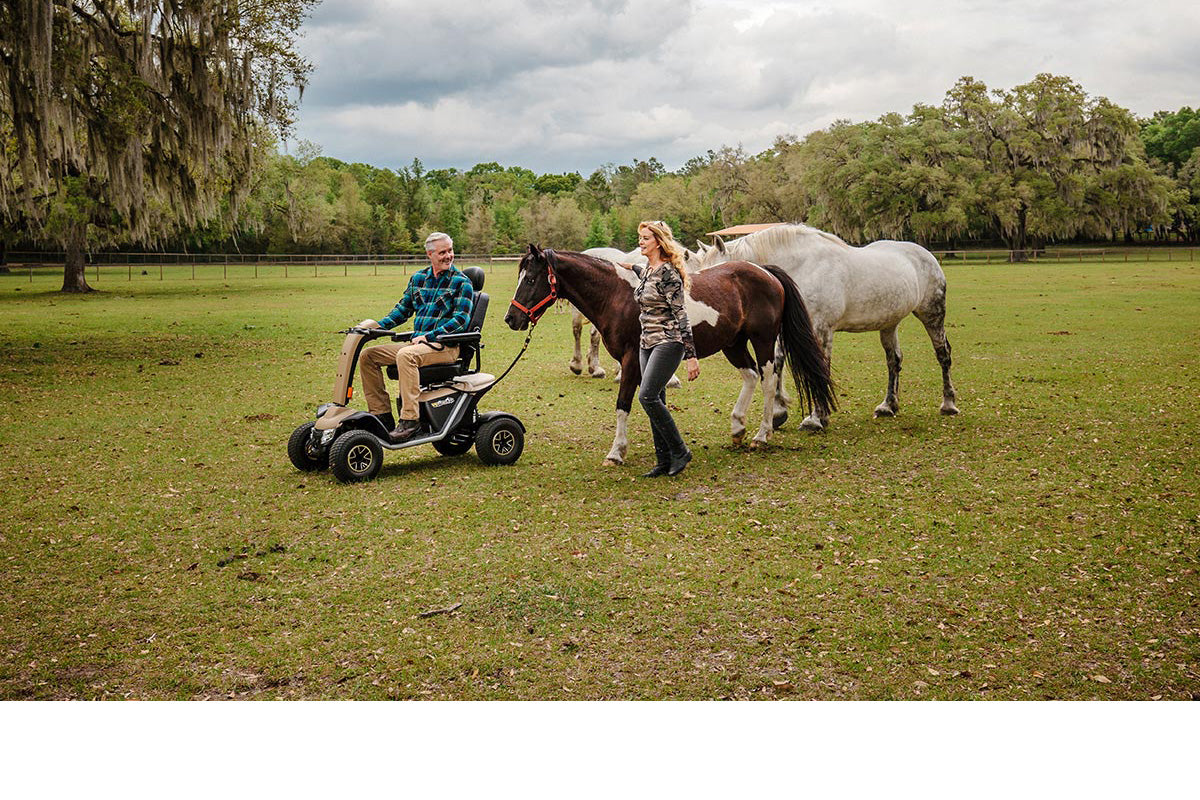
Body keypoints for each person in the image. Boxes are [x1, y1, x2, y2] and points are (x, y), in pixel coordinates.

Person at [358, 232, 474, 443]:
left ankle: (410, 421)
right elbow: (402, 310)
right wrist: (376, 328)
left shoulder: (462, 283)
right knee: (368, 356)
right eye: (442, 252)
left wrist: (429, 337)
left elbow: (460, 322)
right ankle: (381, 417)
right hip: (418, 345)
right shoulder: (418, 279)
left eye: (450, 250)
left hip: (444, 346)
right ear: (430, 254)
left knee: (405, 355)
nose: (448, 256)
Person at [619, 220, 700, 477]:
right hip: (647, 343)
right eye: (640, 237)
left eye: (645, 238)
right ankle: (663, 461)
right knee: (658, 397)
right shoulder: (649, 270)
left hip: (669, 341)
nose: (640, 242)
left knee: (647, 396)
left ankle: (680, 451)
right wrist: (629, 266)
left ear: (658, 242)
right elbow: (643, 273)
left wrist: (691, 356)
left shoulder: (668, 274)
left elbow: (682, 315)